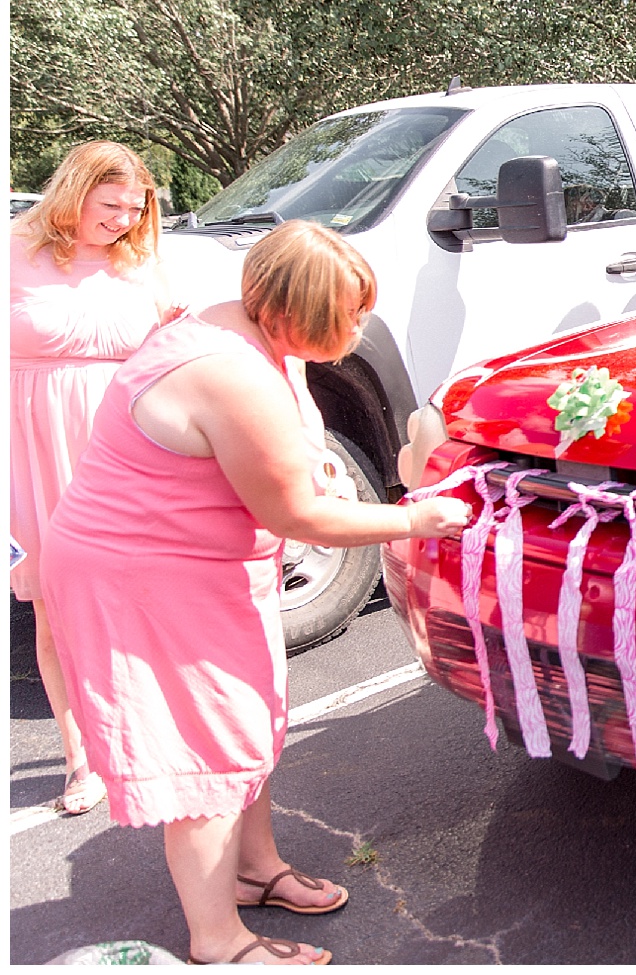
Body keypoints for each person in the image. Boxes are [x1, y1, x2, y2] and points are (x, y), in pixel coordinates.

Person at [40, 221, 471, 966]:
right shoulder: (229, 370)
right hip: (147, 576)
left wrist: (313, 464)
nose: (360, 328)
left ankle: (253, 867)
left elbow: (282, 455)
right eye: (349, 315)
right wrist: (415, 516)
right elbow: (296, 515)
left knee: (249, 723)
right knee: (205, 749)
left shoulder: (245, 329)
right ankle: (220, 940)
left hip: (197, 564)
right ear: (288, 313)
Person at [10, 141, 181, 818]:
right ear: (73, 193)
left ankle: (150, 738)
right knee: (56, 604)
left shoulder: (141, 264)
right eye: (109, 205)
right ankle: (82, 756)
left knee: (144, 593)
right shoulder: (12, 250)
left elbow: (179, 350)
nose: (123, 219)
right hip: (33, 450)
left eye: (135, 208)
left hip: (126, 450)